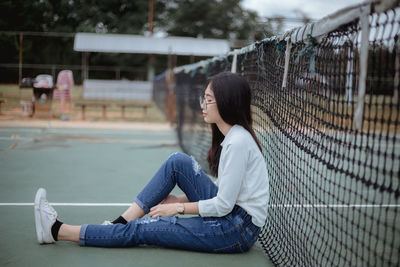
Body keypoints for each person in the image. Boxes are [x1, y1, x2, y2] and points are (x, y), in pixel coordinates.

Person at [34, 71, 269, 253]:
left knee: (142, 229)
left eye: (208, 100)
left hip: (235, 231)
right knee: (177, 162)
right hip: (232, 218)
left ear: (226, 103)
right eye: (204, 98)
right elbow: (225, 192)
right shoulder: (233, 137)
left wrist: (176, 208)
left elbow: (223, 205)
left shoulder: (237, 142)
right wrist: (180, 198)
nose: (202, 105)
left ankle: (57, 231)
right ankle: (117, 223)